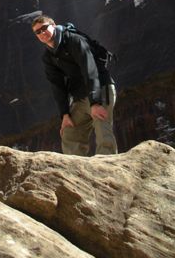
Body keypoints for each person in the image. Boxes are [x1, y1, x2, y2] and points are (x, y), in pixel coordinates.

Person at [32, 14, 117, 156]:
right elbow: (57, 86)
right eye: (37, 32)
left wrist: (95, 103)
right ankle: (76, 171)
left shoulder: (74, 41)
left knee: (102, 130)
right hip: (80, 96)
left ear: (53, 26)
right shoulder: (48, 56)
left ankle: (108, 170)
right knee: (70, 132)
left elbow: (90, 70)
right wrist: (65, 114)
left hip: (101, 89)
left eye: (44, 28)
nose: (42, 33)